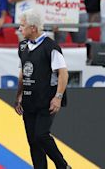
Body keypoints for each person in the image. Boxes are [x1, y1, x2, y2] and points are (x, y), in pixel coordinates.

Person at [15, 10, 70, 169]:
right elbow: (22, 73)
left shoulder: (50, 46)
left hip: (47, 100)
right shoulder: (23, 46)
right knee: (33, 141)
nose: (19, 29)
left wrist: (58, 97)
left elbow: (63, 73)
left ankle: (62, 165)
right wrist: (18, 96)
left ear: (33, 28)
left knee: (41, 135)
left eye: (22, 25)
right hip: (29, 100)